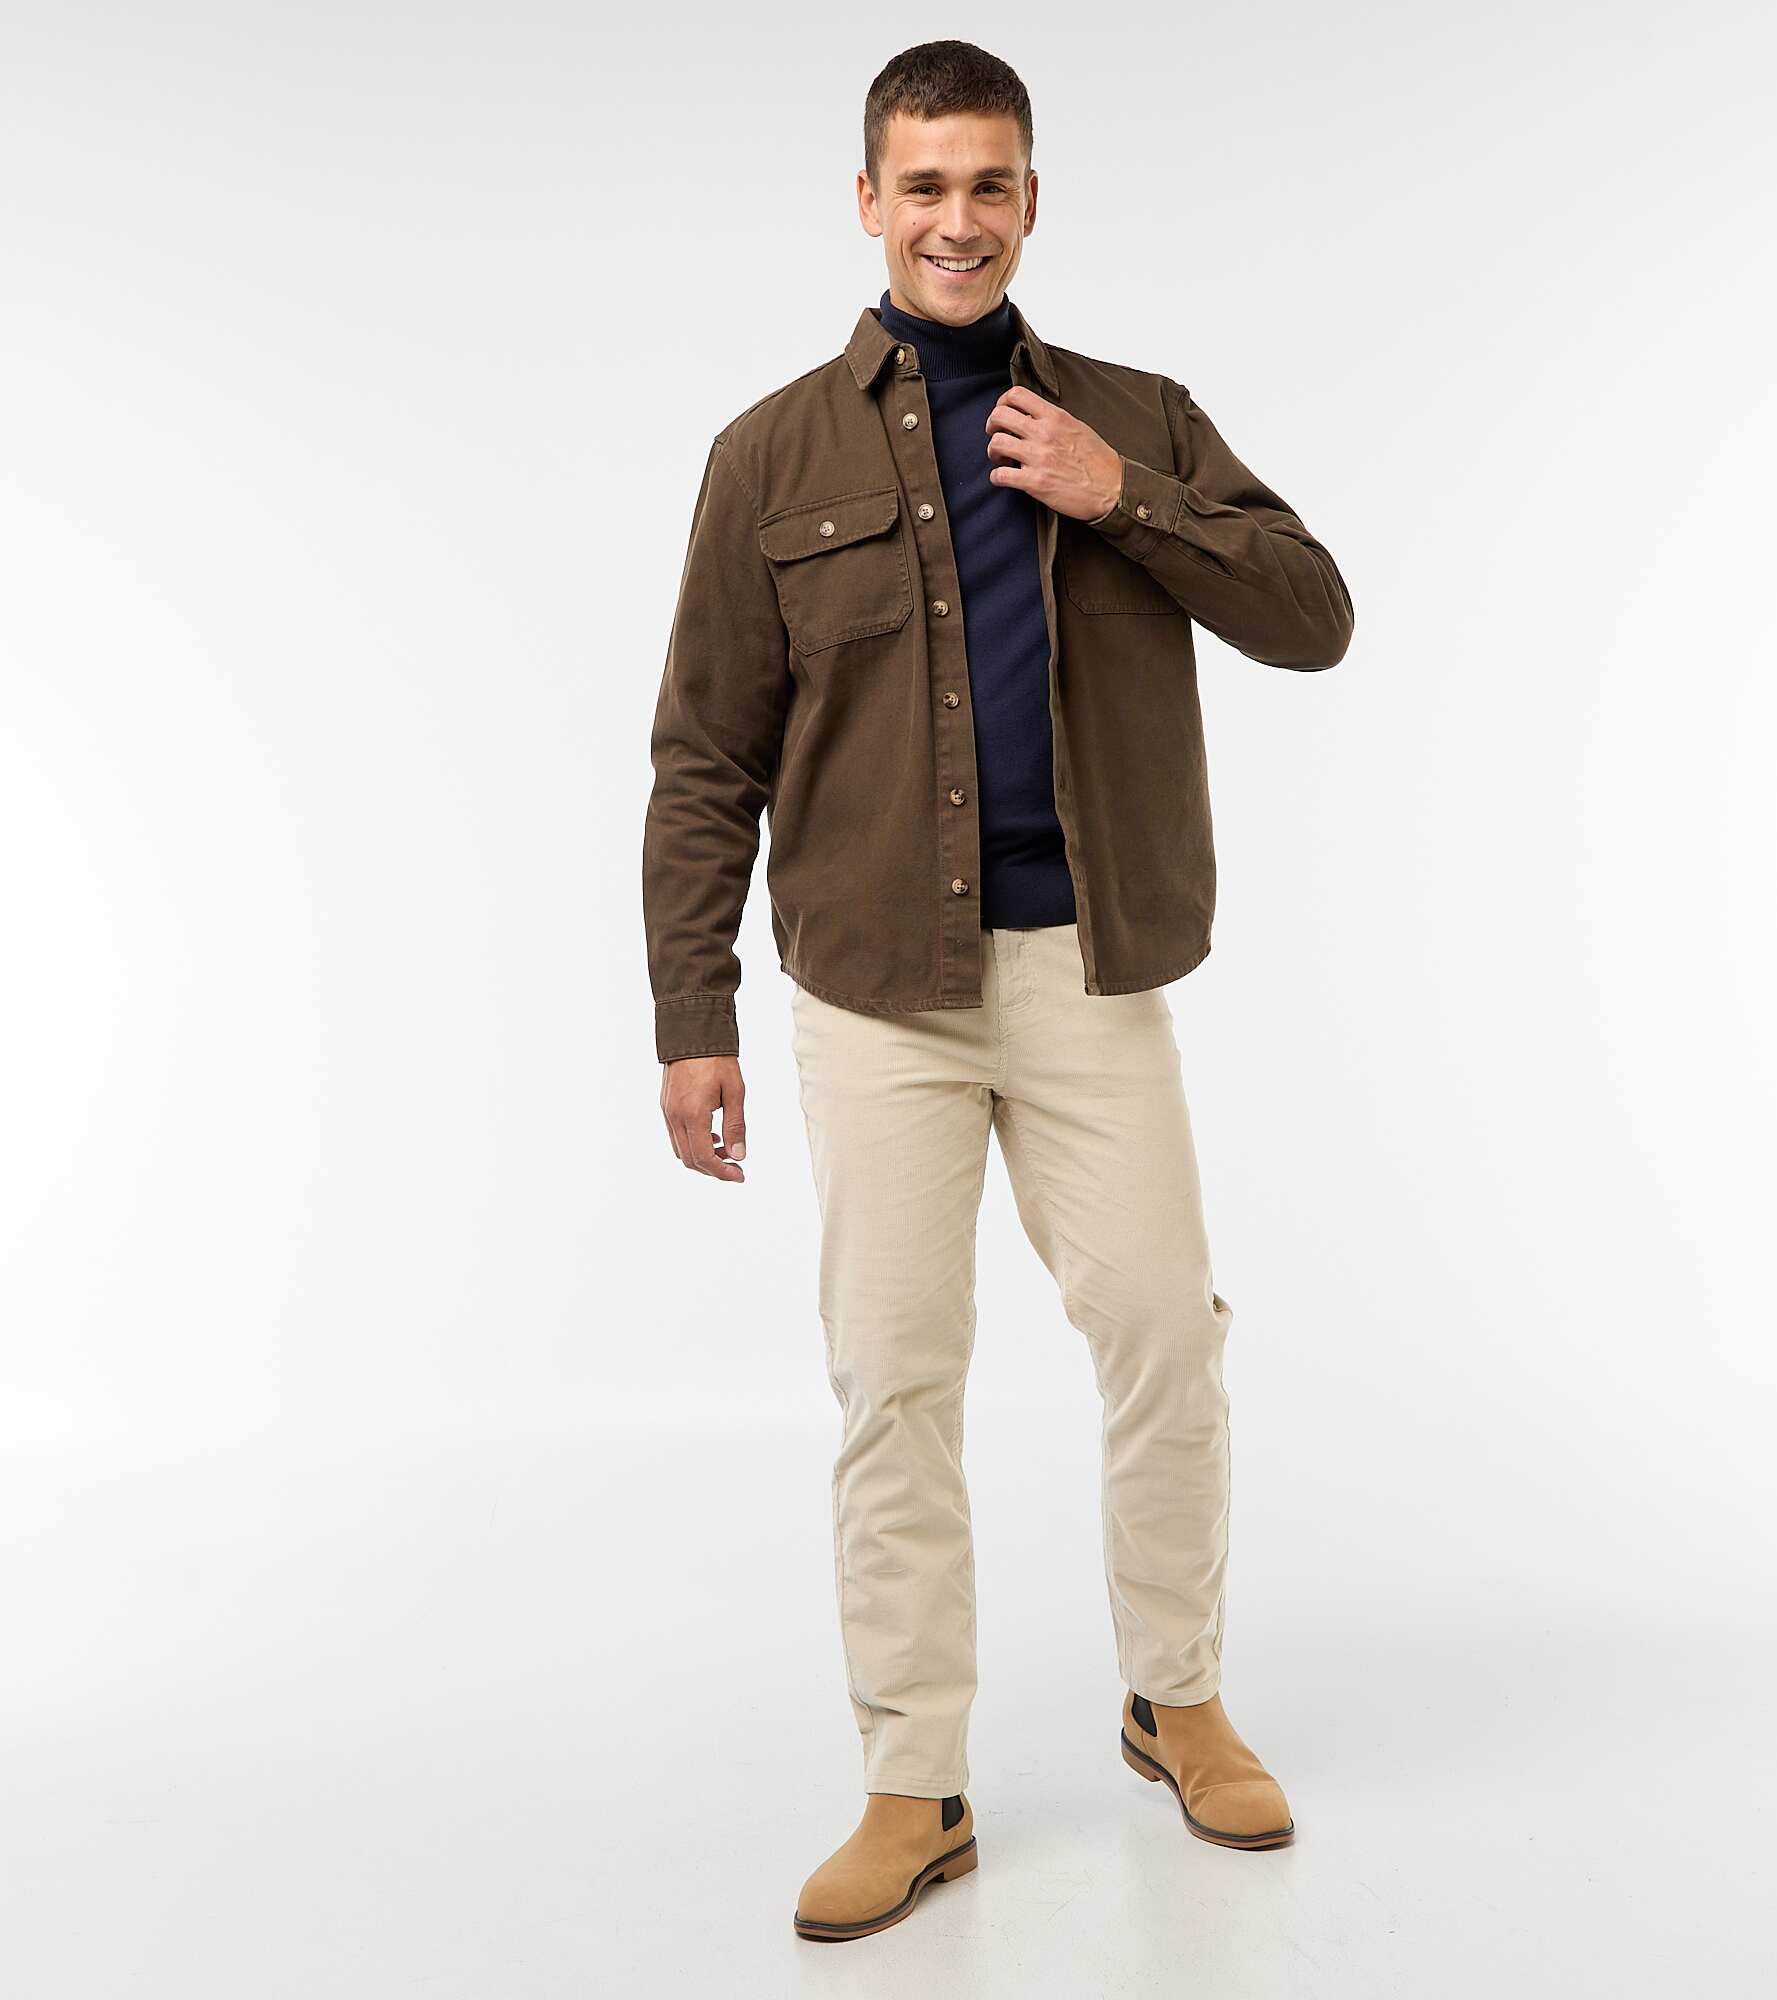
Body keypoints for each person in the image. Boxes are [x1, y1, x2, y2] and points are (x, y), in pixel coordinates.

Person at [641, 38, 1355, 1943]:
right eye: (924, 185)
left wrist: (1127, 498)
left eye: (989, 185)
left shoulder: (1136, 416)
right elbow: (705, 756)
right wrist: (692, 1015)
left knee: (1164, 1332)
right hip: (875, 993)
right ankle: (915, 1782)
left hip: (1086, 976)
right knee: (896, 1377)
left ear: (1032, 201)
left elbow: (1315, 618)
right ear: (868, 203)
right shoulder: (769, 455)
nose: (956, 220)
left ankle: (1175, 1698)